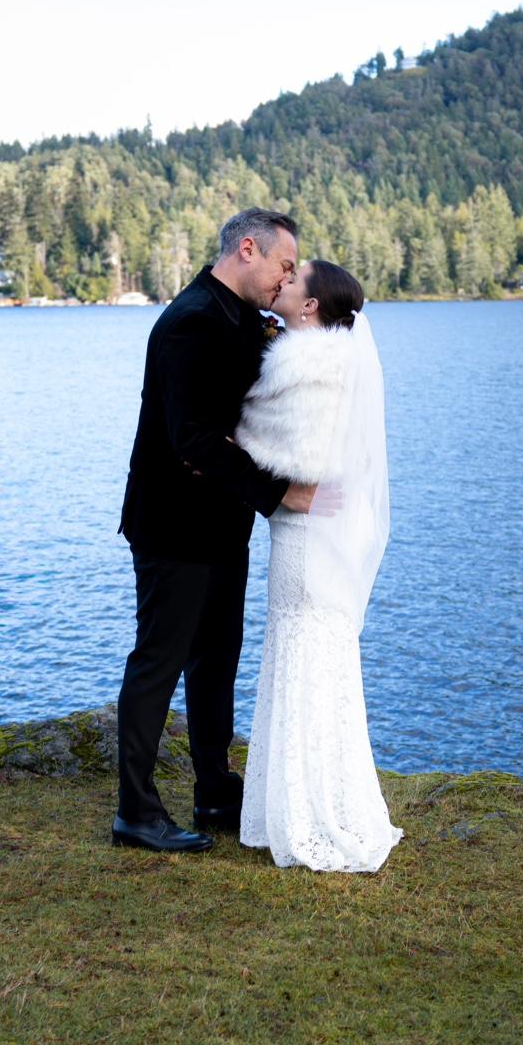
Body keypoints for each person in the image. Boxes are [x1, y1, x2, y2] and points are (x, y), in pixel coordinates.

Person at [113, 208, 316, 854]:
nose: (286, 278)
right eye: (284, 265)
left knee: (216, 661)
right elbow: (194, 438)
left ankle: (214, 788)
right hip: (172, 525)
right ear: (248, 249)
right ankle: (135, 813)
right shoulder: (191, 322)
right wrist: (279, 492)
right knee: (159, 662)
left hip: (224, 525)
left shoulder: (242, 319)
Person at [235, 260, 402, 873]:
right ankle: (314, 801)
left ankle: (307, 814)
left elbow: (288, 453)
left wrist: (227, 440)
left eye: (295, 277)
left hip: (304, 534)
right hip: (320, 531)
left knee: (302, 651)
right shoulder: (338, 360)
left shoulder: (306, 365)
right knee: (318, 655)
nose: (284, 280)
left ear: (310, 306)